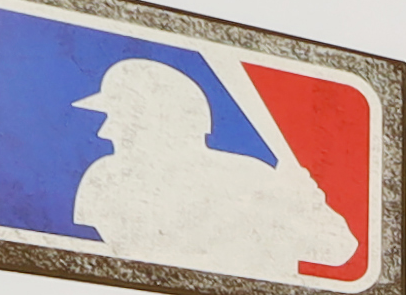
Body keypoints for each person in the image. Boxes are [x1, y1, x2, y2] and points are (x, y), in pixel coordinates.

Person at [68, 59, 356, 281]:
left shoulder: (254, 178)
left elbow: (337, 250)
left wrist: (304, 203)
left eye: (121, 119)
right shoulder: (106, 179)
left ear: (163, 122)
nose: (105, 131)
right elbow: (125, 262)